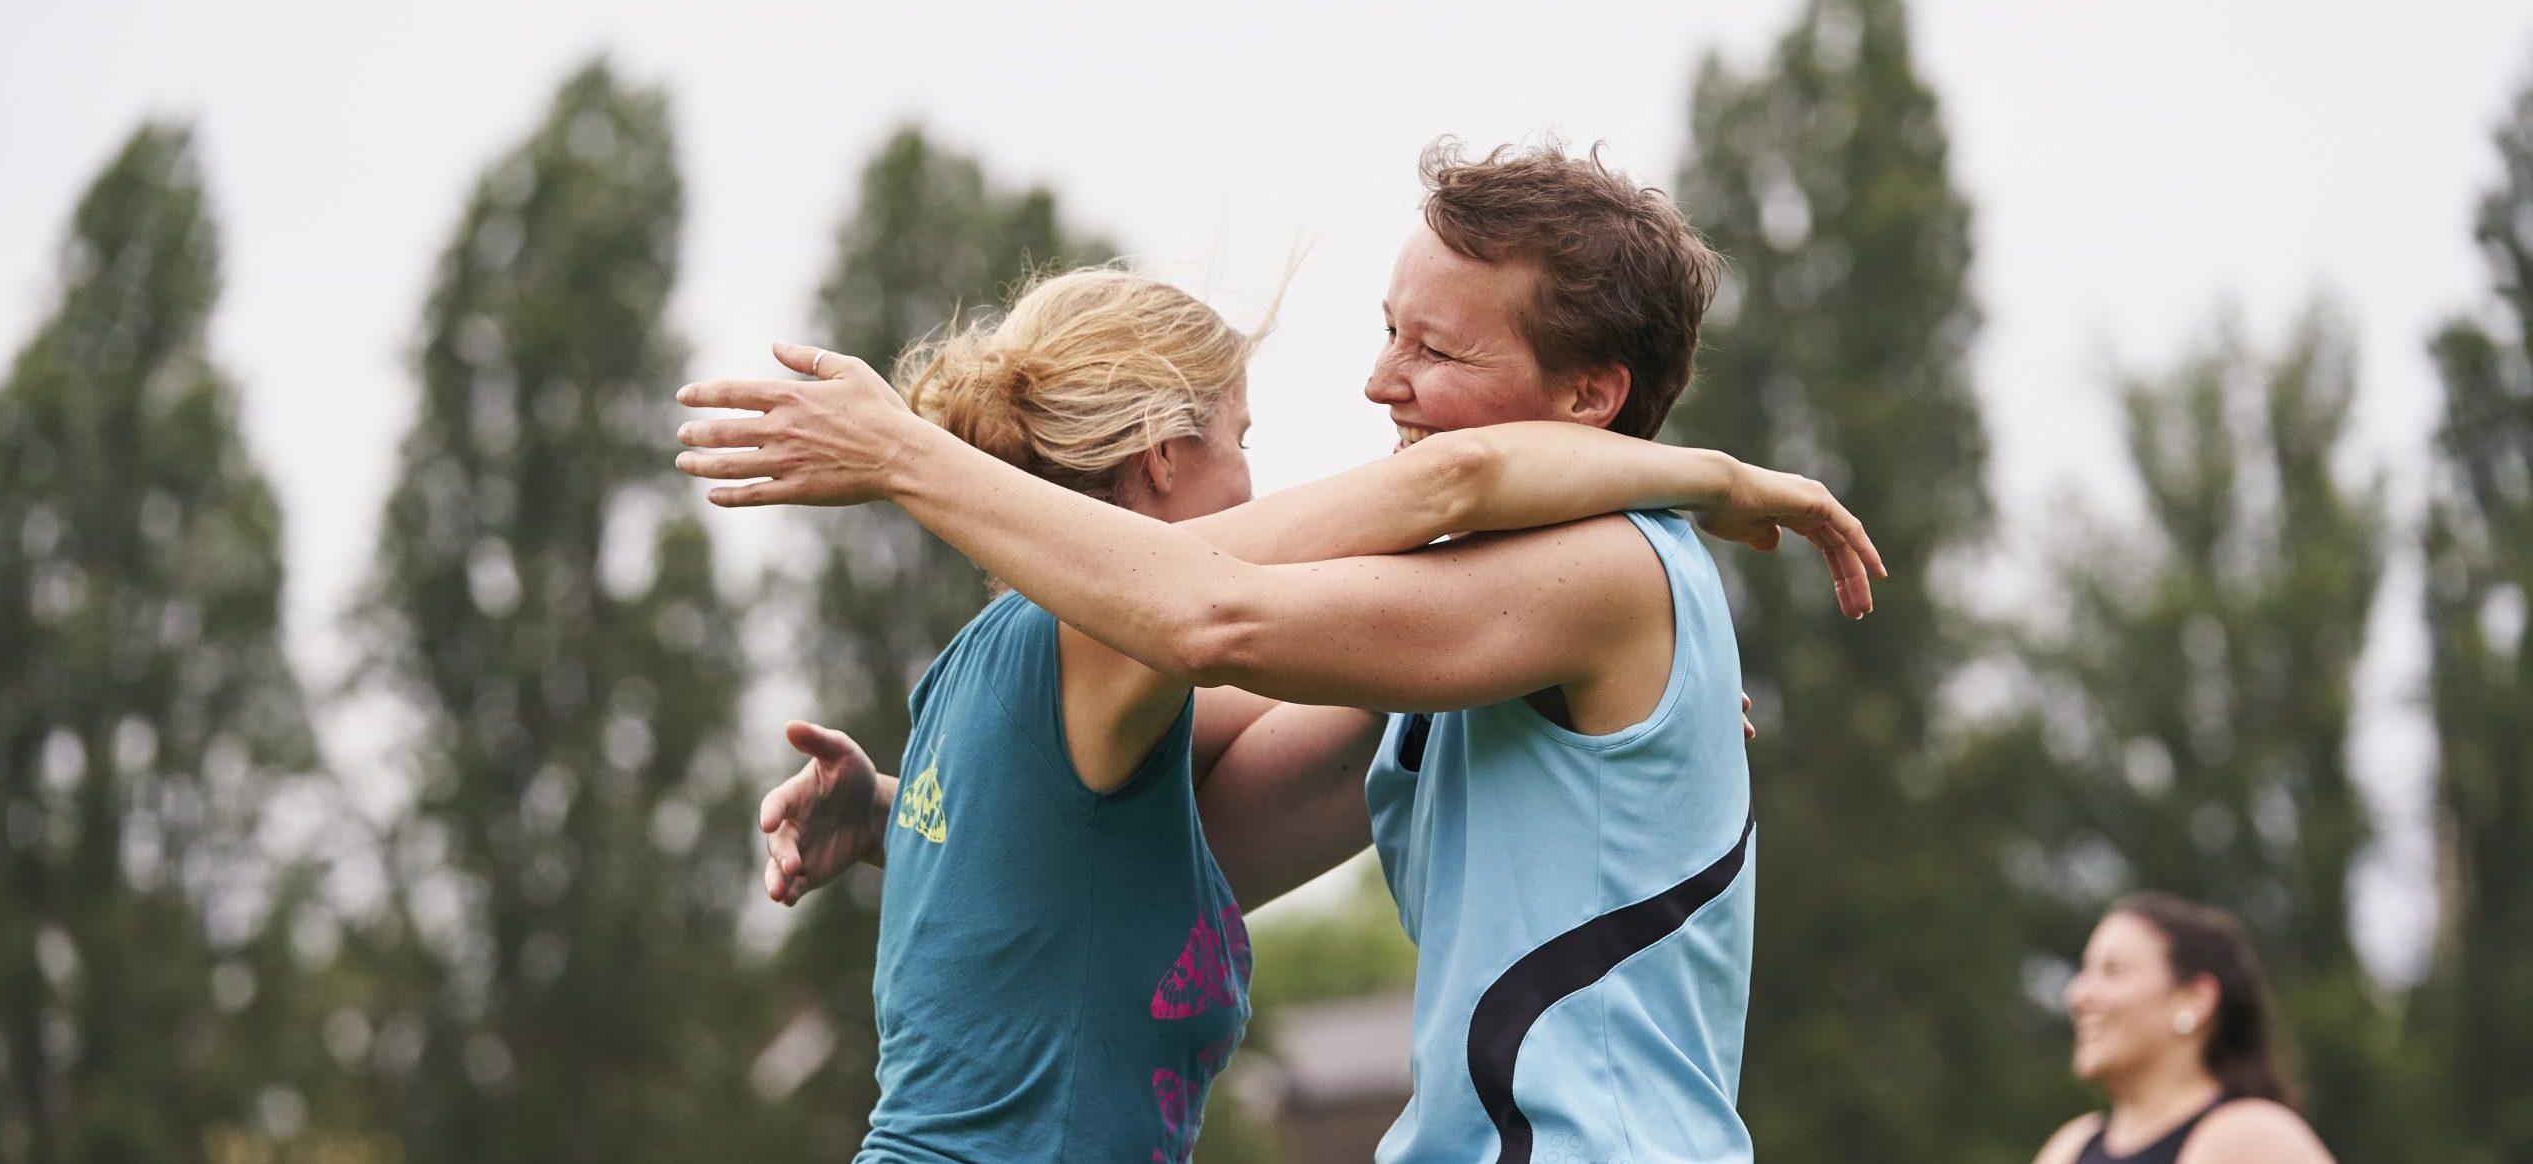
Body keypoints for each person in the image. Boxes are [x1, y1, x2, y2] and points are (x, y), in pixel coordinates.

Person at [682, 140, 1877, 1163]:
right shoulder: (1088, 642)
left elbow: (1207, 686)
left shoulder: (1597, 575)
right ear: (1159, 458)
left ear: (1589, 396)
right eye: (1387, 333)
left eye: (1437, 351)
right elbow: (1166, 787)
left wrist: (1627, 717)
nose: (1377, 384)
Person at [2030, 893, 2336, 1164]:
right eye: (2086, 971)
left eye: (2112, 971)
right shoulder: (2072, 1145)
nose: (2078, 996)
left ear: (2194, 1000)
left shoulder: (2249, 1135)